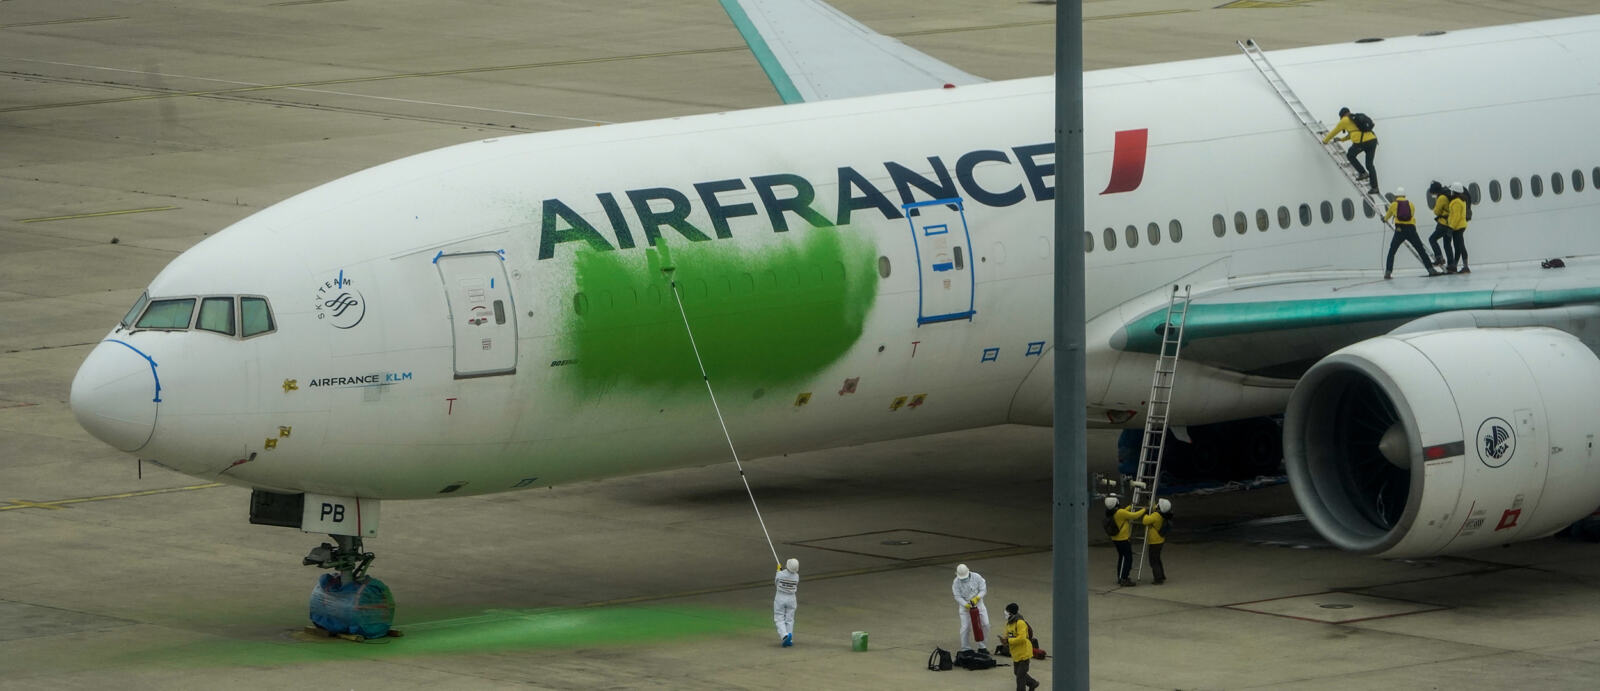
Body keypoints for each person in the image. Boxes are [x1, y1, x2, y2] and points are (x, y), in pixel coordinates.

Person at [1381, 187, 1440, 279]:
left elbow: (1387, 216)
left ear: (1396, 196)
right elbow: (1411, 215)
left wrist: (1384, 219)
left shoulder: (1393, 205)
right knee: (1421, 250)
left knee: (1392, 251)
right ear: (1404, 195)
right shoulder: (1411, 204)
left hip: (1399, 230)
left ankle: (1388, 273)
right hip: (1411, 229)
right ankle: (1431, 270)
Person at [1322, 107, 1379, 193]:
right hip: (1372, 141)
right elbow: (1354, 133)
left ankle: (1363, 173)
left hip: (1362, 142)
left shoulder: (1344, 121)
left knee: (1350, 155)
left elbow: (1334, 131)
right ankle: (1375, 188)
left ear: (1341, 115)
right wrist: (1342, 139)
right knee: (1370, 165)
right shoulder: (1354, 119)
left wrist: (1325, 140)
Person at [1107, 496, 1146, 586]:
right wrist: (1144, 510)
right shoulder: (1120, 512)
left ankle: (1120, 577)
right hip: (1123, 539)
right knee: (1128, 559)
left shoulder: (1110, 512)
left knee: (1121, 558)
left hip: (1116, 539)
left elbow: (1123, 512)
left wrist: (1130, 506)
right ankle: (1124, 578)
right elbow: (1134, 516)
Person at [952, 563, 990, 653]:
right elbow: (957, 596)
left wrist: (977, 598)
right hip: (965, 607)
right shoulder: (956, 582)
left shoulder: (977, 577)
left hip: (978, 604)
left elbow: (983, 589)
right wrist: (965, 604)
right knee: (965, 627)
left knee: (986, 624)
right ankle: (966, 648)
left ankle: (982, 646)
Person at [1003, 603, 1041, 691]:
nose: (1005, 613)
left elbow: (1022, 638)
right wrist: (1004, 640)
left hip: (1024, 653)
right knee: (1017, 672)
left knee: (1020, 676)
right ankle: (1033, 683)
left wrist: (1009, 641)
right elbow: (1007, 634)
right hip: (1016, 653)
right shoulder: (1009, 623)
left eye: (1007, 611)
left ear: (1011, 613)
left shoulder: (1020, 623)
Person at [1141, 498, 1174, 585]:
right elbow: (1154, 507)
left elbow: (1145, 521)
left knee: (1153, 561)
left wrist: (1145, 512)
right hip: (1160, 540)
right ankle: (1161, 575)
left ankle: (1158, 579)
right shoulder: (1164, 513)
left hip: (1154, 541)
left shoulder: (1156, 516)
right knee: (1157, 558)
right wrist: (1150, 501)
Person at [1427, 180, 1454, 270]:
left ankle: (1439, 258)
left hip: (1443, 224)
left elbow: (1436, 211)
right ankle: (1451, 265)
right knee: (1447, 244)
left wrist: (1437, 201)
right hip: (1450, 223)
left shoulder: (1441, 198)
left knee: (1432, 239)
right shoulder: (1446, 194)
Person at [773, 557, 799, 647]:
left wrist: (778, 571)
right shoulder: (796, 577)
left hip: (780, 597)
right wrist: (780, 571)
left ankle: (784, 636)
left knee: (779, 617)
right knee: (790, 618)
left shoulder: (780, 574)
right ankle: (790, 638)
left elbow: (776, 582)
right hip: (792, 598)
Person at [1447, 182, 1471, 273]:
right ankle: (1455, 265)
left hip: (1457, 227)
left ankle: (1465, 267)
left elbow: (1455, 216)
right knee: (1458, 246)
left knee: (1460, 246)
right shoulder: (1462, 200)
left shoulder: (1456, 202)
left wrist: (1451, 227)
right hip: (1460, 226)